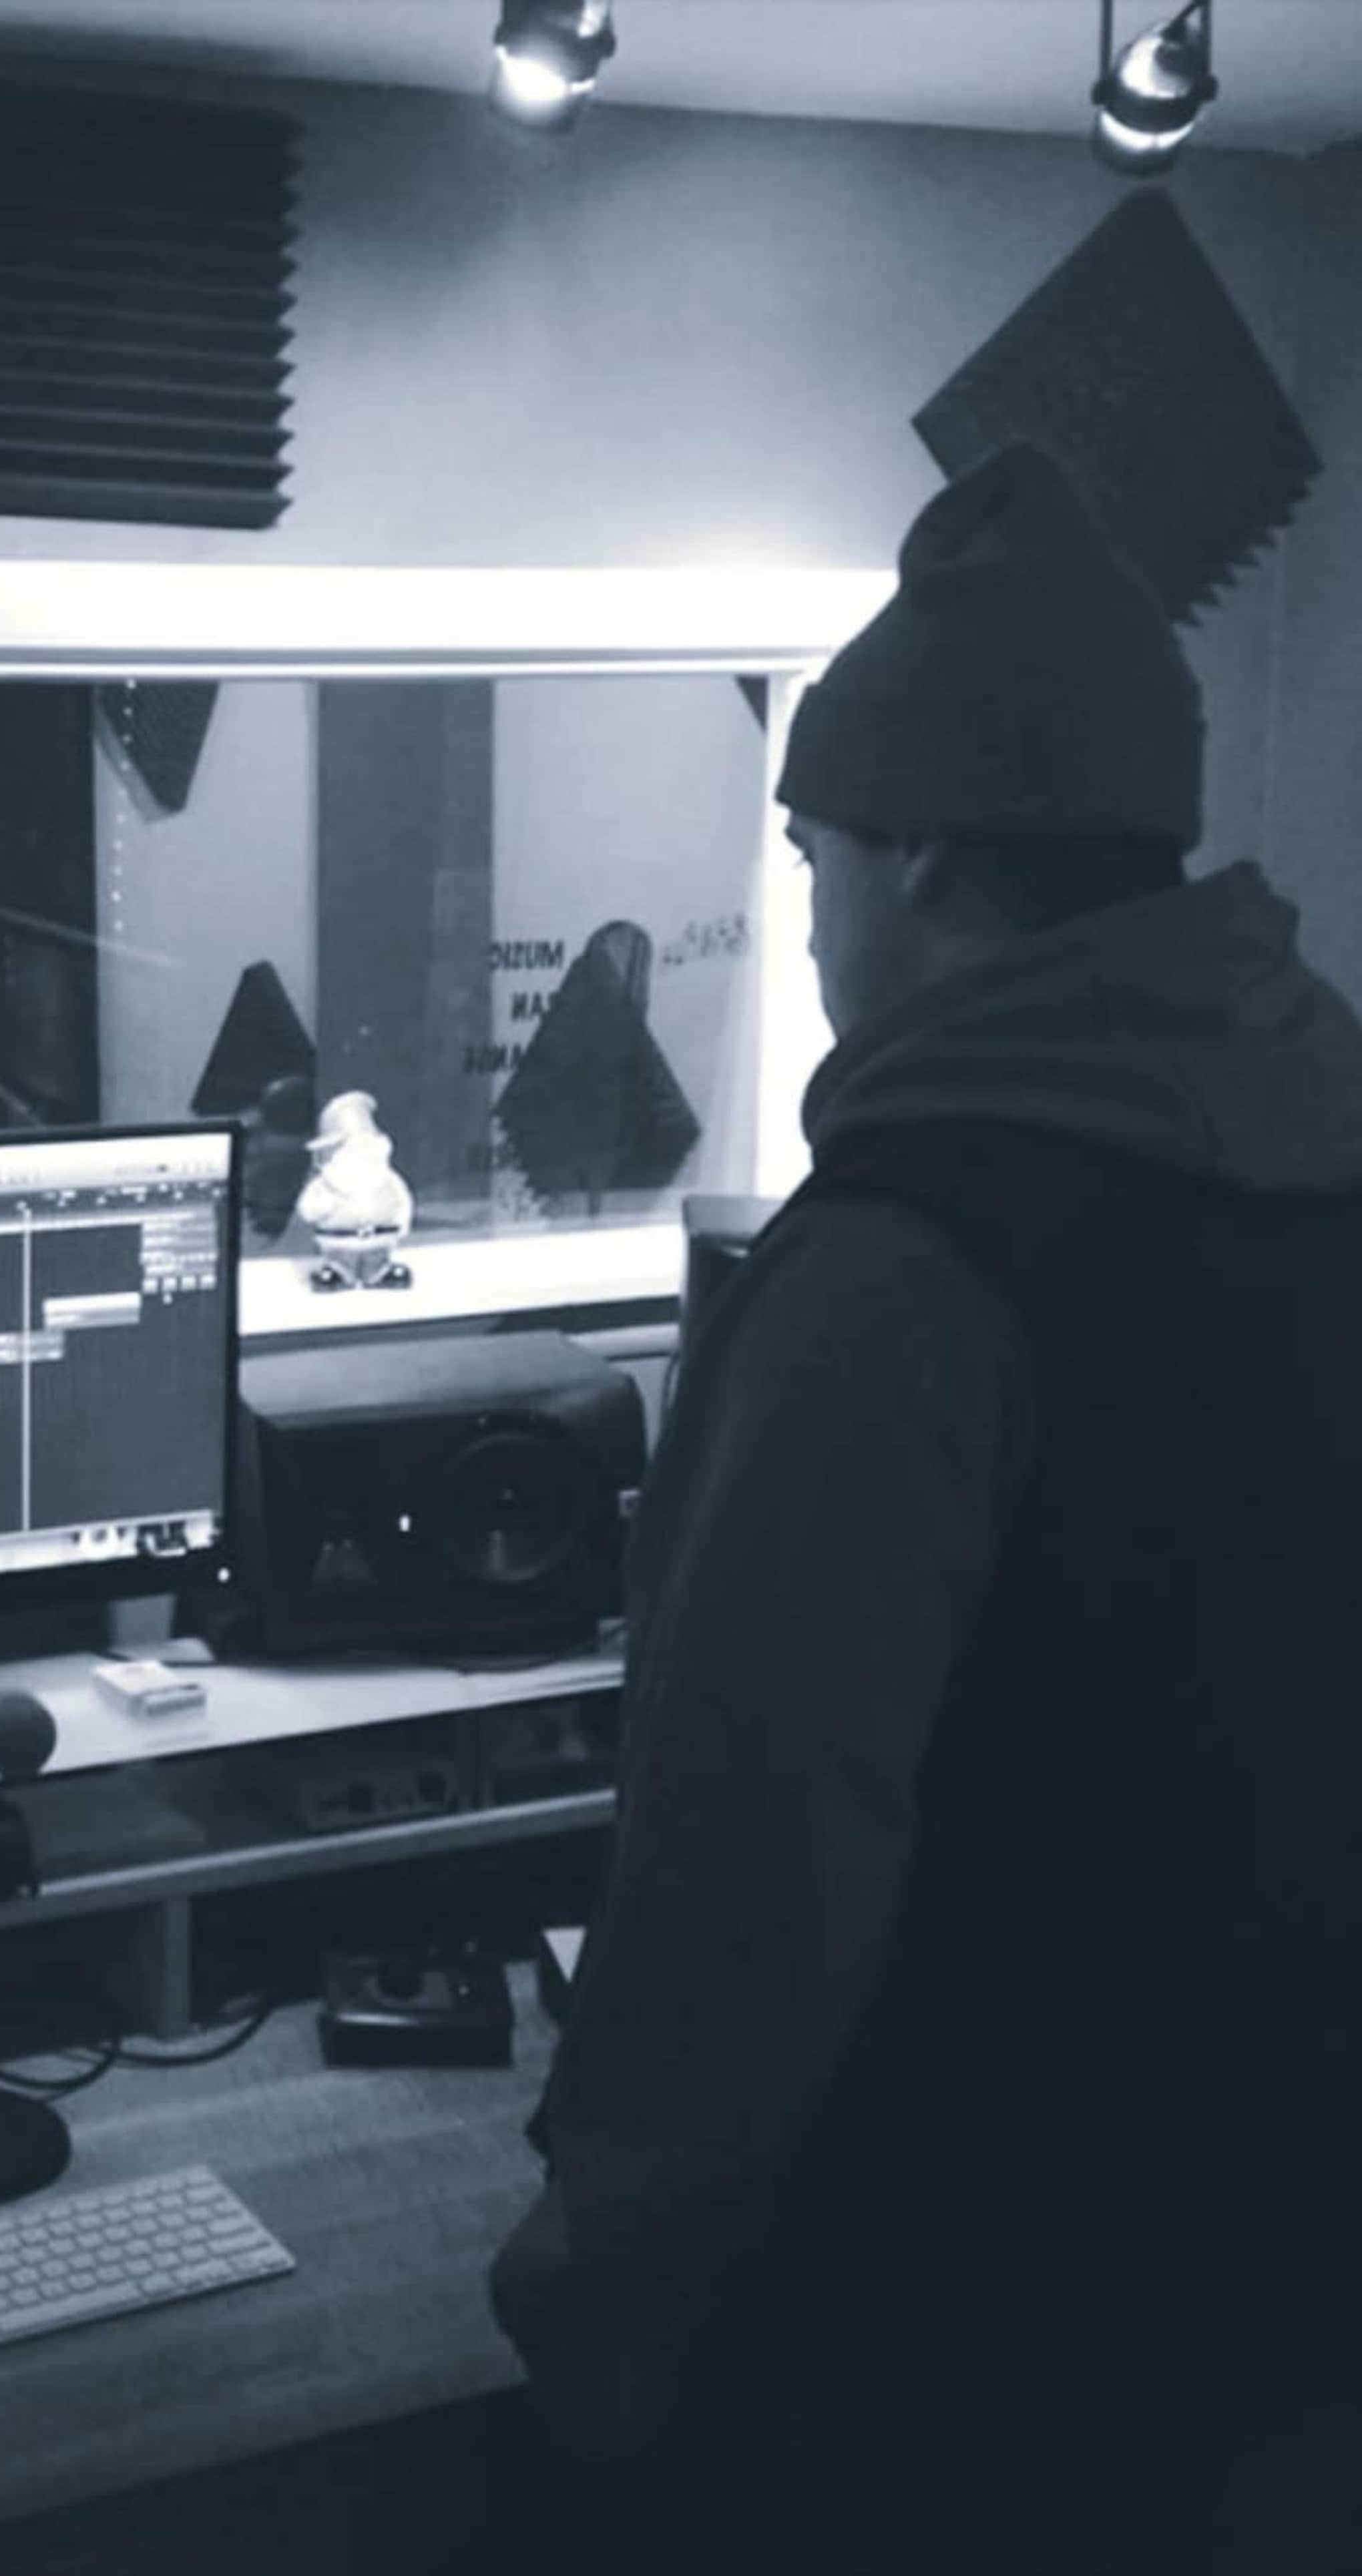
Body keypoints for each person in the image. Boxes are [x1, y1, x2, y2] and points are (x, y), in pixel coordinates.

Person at [487, 443, 1362, 2573]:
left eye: (815, 856)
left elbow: (744, 1866)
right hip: (1276, 2299)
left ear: (931, 857)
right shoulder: (1324, 1159)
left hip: (946, 2353)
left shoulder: (902, 1270)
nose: (810, 910)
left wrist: (586, 2264)